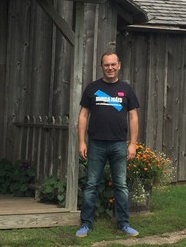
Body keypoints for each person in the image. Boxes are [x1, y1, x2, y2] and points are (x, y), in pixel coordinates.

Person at [76, 51, 140, 238]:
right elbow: (83, 115)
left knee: (120, 185)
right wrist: (81, 142)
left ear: (119, 65)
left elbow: (133, 116)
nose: (110, 68)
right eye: (106, 65)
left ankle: (123, 224)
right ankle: (86, 224)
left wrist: (133, 143)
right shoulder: (92, 88)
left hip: (119, 144)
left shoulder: (126, 89)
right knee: (91, 185)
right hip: (96, 144)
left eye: (113, 64)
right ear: (102, 66)